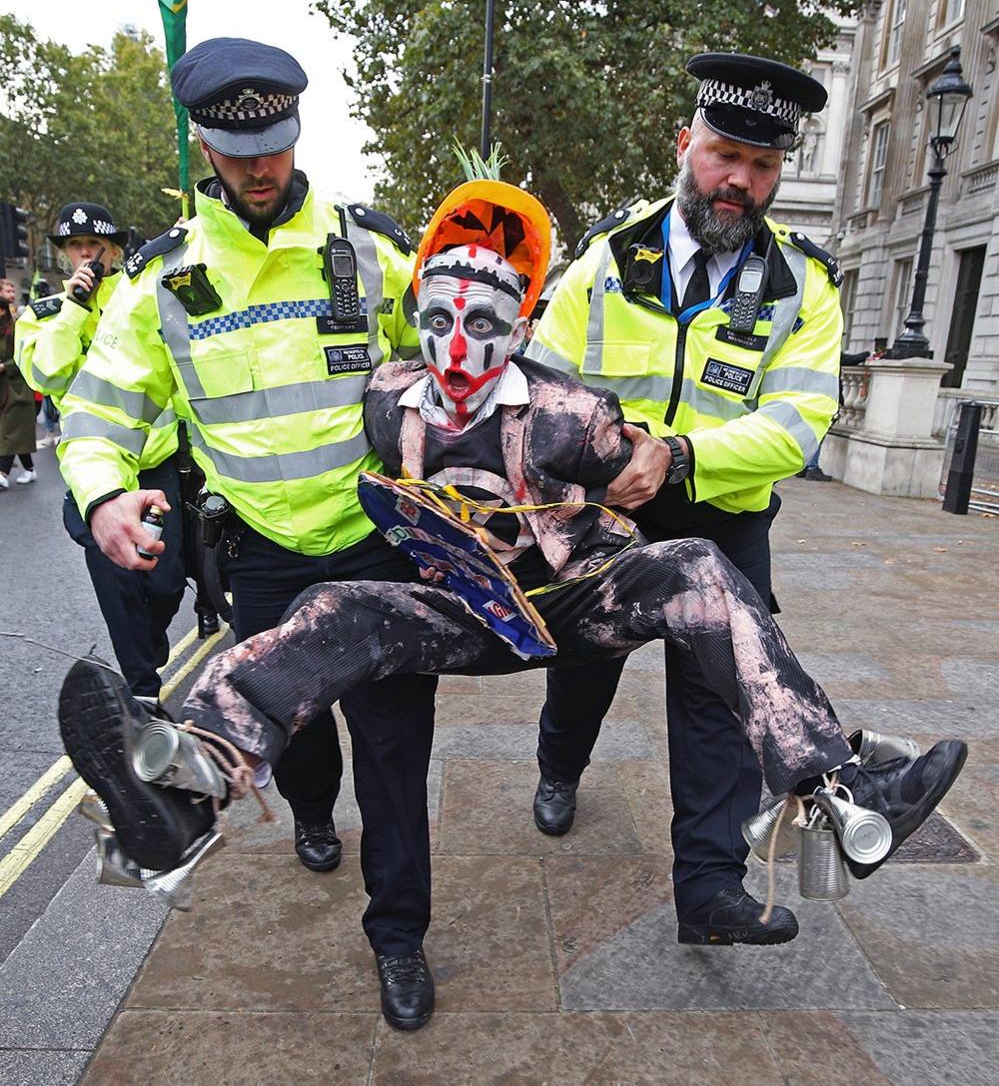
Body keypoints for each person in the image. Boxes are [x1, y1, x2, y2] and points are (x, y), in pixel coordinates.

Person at [57, 179, 968, 1028]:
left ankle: (839, 796)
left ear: (522, 324)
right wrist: (119, 489)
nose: (457, 350)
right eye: (440, 321)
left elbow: (645, 478)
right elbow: (236, 408)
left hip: (568, 604)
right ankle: (182, 791)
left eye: (485, 325)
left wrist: (624, 487)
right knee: (336, 605)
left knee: (696, 564)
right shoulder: (382, 401)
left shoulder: (572, 412)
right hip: (453, 614)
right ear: (415, 319)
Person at [54, 36, 440, 1012]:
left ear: (297, 129)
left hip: (382, 548)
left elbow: (447, 365)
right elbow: (98, 411)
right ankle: (312, 809)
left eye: (274, 139)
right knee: (300, 734)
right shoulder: (164, 283)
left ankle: (399, 937)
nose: (262, 166)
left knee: (396, 756)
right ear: (205, 145)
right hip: (264, 561)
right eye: (238, 147)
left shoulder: (368, 251)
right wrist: (103, 494)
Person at [524, 53, 846, 945]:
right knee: (581, 666)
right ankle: (559, 765)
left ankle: (709, 890)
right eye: (723, 154)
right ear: (685, 144)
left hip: (722, 518)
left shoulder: (802, 287)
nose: (739, 180)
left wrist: (681, 454)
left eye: (762, 165)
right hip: (609, 516)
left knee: (717, 697)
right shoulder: (603, 260)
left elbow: (797, 422)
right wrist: (598, 458)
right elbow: (546, 382)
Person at [15, 203, 186, 698]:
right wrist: (74, 309)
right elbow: (45, 375)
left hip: (158, 462)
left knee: (166, 581)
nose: (86, 253)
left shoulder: (141, 296)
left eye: (96, 245)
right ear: (66, 254)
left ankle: (146, 647)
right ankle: (142, 686)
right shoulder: (46, 313)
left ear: (114, 249)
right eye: (75, 246)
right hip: (95, 473)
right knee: (117, 581)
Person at [0, 277, 37, 489]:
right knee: (15, 433)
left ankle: (2, 472)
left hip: (16, 389)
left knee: (10, 431)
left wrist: (5, 366)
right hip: (4, 389)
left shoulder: (15, 329)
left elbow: (22, 355)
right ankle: (30, 469)